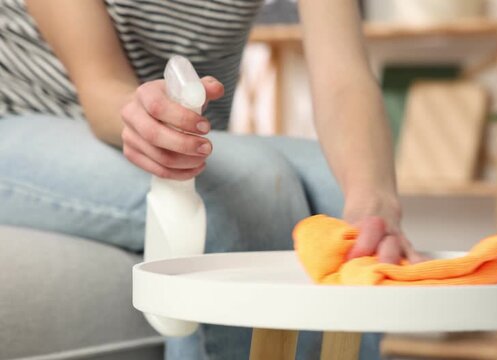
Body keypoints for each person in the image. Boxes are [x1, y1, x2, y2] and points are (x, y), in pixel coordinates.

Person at [0, 0, 424, 358]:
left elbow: (343, 76)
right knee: (244, 184)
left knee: (338, 191)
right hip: (25, 123)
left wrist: (374, 205)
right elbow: (101, 84)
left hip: (184, 129)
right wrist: (150, 119)